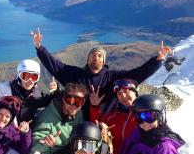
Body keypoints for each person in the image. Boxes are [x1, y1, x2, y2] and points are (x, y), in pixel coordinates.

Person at [31, 28, 172, 116]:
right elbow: (55, 66)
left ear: (104, 62)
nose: (96, 58)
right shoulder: (75, 75)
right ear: (87, 60)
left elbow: (139, 74)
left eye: (100, 56)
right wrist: (39, 48)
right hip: (79, 121)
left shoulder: (113, 77)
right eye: (93, 55)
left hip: (107, 123)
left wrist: (158, 60)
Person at [118, 94, 185, 154]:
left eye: (149, 116)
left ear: (160, 116)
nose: (144, 122)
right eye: (139, 117)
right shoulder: (137, 133)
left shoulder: (165, 149)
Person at [28, 82, 86, 154]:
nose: (74, 105)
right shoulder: (47, 118)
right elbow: (35, 144)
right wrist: (45, 142)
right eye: (70, 100)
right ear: (63, 99)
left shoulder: (78, 113)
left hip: (69, 151)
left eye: (79, 101)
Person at [90, 79, 138, 154]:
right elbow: (96, 125)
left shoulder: (144, 113)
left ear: (135, 92)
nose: (123, 96)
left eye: (126, 91)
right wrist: (94, 107)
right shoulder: (112, 117)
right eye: (119, 94)